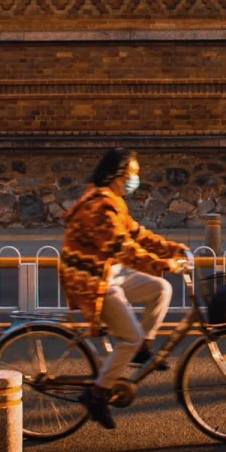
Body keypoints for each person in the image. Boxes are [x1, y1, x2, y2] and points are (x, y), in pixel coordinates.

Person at [59, 148, 188, 430]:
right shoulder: (99, 206)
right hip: (91, 279)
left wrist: (171, 248)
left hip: (110, 274)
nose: (135, 179)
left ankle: (142, 347)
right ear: (118, 176)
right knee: (129, 338)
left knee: (160, 290)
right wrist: (163, 263)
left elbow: (137, 233)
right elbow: (122, 248)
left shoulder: (114, 201)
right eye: (133, 173)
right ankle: (96, 394)